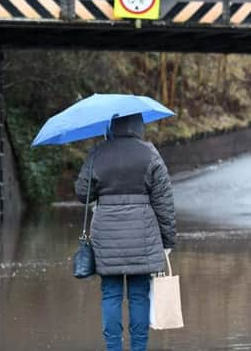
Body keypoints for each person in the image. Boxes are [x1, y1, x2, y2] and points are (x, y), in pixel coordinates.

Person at [75, 113, 176, 351]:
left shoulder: (98, 153)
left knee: (110, 294)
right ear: (138, 126)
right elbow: (164, 200)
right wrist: (168, 239)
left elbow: (82, 193)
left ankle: (113, 348)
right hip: (142, 234)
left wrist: (98, 159)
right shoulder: (150, 153)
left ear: (112, 127)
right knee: (139, 295)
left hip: (106, 235)